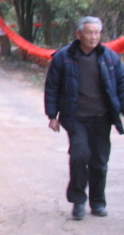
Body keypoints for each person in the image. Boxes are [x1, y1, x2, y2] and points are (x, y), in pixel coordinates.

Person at [44, 16, 124, 220]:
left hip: (102, 118)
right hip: (76, 118)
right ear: (78, 34)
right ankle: (78, 201)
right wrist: (52, 116)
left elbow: (121, 87)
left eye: (97, 32)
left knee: (99, 161)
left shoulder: (110, 57)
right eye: (89, 32)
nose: (94, 36)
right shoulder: (63, 57)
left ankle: (97, 202)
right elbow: (52, 87)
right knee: (79, 157)